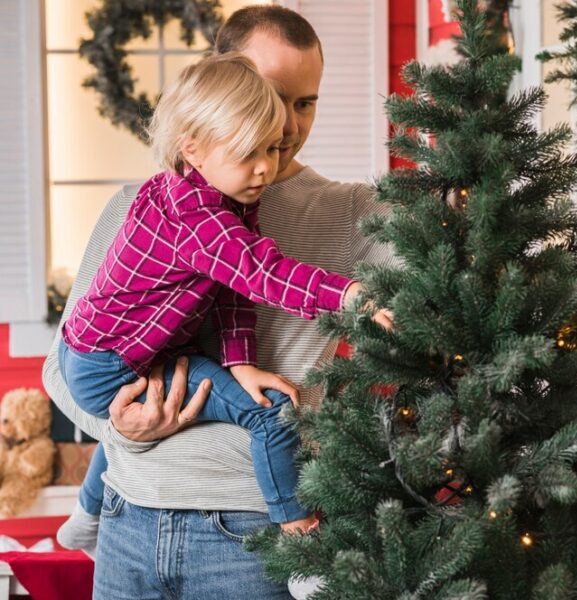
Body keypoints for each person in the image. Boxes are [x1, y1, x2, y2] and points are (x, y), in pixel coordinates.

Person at [42, 6, 394, 598]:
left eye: (304, 102)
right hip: (129, 527)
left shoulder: (349, 212)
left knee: (266, 409)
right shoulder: (143, 204)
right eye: (268, 94)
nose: (283, 123)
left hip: (251, 540)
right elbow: (63, 369)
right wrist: (128, 430)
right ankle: (89, 512)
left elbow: (450, 249)